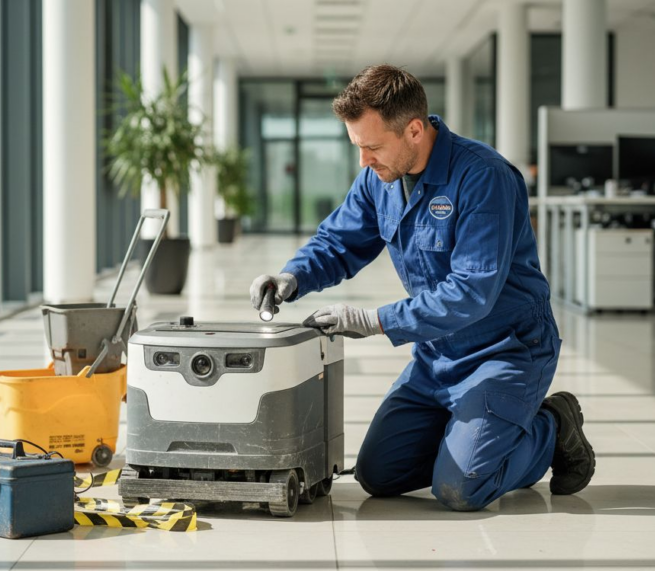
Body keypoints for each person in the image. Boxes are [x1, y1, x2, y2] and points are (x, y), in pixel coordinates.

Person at [249, 65, 595, 511]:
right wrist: (290, 278)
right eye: (357, 148)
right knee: (378, 474)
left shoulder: (483, 178)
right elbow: (338, 241)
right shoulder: (379, 179)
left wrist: (374, 321)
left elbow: (471, 291)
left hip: (506, 351)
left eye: (372, 147)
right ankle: (473, 434)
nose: (363, 161)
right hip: (437, 355)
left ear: (414, 130)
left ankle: (551, 425)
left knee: (461, 489)